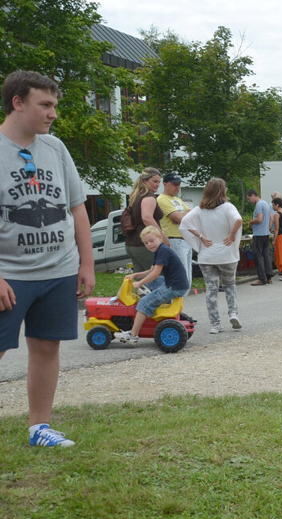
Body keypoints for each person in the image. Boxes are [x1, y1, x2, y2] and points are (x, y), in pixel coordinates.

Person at [0, 70, 94, 447]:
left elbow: (77, 208)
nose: (53, 113)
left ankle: (40, 427)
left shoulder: (54, 148)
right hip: (10, 273)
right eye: (45, 105)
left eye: (54, 105)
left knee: (46, 346)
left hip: (58, 268)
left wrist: (85, 264)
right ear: (17, 102)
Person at [180, 178, 242, 334]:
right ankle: (233, 313)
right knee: (229, 285)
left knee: (211, 289)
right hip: (227, 254)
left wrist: (200, 236)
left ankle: (215, 324)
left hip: (207, 256)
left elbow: (185, 223)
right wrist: (232, 235)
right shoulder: (228, 207)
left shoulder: (199, 209)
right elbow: (238, 220)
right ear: (222, 191)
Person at [117, 226, 190, 344]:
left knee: (143, 303)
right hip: (177, 283)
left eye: (152, 241)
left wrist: (140, 283)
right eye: (146, 243)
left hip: (175, 287)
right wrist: (136, 275)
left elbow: (155, 273)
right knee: (152, 282)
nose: (149, 244)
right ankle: (151, 296)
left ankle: (133, 335)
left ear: (160, 238)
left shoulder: (163, 251)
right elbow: (152, 270)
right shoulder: (160, 250)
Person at [157, 172, 192, 293]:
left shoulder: (177, 199)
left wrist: (185, 216)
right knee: (180, 277)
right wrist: (185, 215)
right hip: (174, 239)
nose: (177, 187)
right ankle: (175, 305)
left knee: (187, 277)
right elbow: (178, 218)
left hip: (185, 239)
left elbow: (192, 216)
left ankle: (181, 305)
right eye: (174, 184)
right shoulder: (162, 199)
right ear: (165, 184)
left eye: (179, 184)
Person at [124, 168, 164, 272]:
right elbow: (147, 218)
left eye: (159, 182)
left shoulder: (135, 196)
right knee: (157, 278)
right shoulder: (149, 197)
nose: (157, 184)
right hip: (146, 245)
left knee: (142, 281)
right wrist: (162, 238)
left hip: (132, 244)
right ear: (145, 181)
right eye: (154, 181)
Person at [246, 189, 274, 286]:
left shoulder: (258, 205)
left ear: (253, 195)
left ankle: (262, 279)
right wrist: (268, 228)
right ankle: (269, 276)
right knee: (266, 256)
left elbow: (259, 219)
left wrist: (250, 222)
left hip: (258, 234)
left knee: (258, 257)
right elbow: (271, 218)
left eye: (249, 199)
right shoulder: (266, 203)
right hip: (266, 233)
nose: (249, 201)